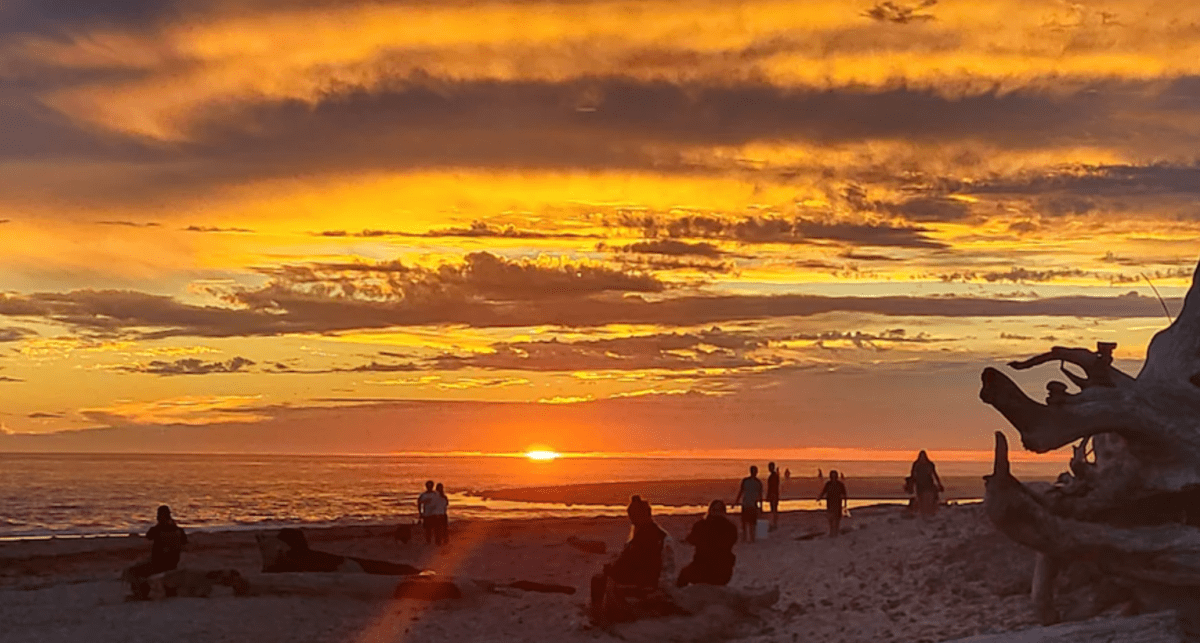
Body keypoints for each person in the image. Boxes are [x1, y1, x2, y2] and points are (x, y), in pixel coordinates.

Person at [590, 496, 669, 622]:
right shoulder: (656, 533)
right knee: (606, 574)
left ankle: (598, 616)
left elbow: (633, 562)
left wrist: (611, 569)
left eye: (633, 516)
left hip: (642, 579)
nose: (631, 520)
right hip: (648, 574)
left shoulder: (645, 535)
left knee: (598, 579)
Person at [125, 505, 188, 599]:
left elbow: (148, 536)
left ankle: (141, 593)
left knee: (132, 571)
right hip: (173, 563)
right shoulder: (178, 530)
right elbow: (185, 542)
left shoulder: (157, 530)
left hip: (157, 564)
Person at [676, 500, 737, 587]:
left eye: (718, 510)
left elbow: (690, 540)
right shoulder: (731, 527)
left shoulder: (701, 526)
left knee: (683, 575)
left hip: (704, 571)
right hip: (723, 573)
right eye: (716, 510)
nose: (717, 513)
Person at [732, 465, 763, 543]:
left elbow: (741, 492)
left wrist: (736, 502)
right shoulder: (755, 482)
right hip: (748, 503)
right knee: (748, 523)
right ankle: (749, 538)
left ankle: (748, 538)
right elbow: (760, 495)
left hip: (749, 503)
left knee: (748, 522)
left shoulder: (752, 481)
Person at [910, 450, 944, 517]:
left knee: (931, 498)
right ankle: (922, 512)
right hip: (919, 484)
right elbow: (913, 475)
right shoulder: (916, 464)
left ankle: (930, 512)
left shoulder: (930, 464)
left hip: (928, 483)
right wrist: (911, 484)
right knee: (921, 499)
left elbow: (935, 474)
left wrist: (939, 484)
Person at [817, 471, 847, 538]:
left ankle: (836, 532)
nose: (833, 477)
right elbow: (824, 491)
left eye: (834, 476)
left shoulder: (840, 484)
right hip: (830, 503)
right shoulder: (828, 484)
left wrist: (845, 504)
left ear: (836, 476)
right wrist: (819, 497)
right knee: (830, 519)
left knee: (837, 519)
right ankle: (831, 532)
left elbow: (844, 494)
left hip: (838, 503)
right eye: (832, 476)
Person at [417, 480, 439, 545]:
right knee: (428, 529)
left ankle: (436, 541)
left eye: (430, 486)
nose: (429, 487)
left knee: (436, 528)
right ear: (426, 486)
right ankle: (428, 541)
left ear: (432, 486)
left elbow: (439, 503)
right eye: (428, 486)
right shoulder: (423, 495)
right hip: (427, 514)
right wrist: (420, 513)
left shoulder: (436, 494)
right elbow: (419, 504)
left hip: (435, 514)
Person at [766, 462, 781, 530]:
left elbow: (772, 486)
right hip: (774, 493)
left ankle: (774, 524)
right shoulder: (773, 475)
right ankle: (774, 523)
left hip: (773, 494)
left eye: (770, 467)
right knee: (773, 509)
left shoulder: (773, 476)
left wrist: (769, 495)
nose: (769, 469)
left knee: (774, 509)